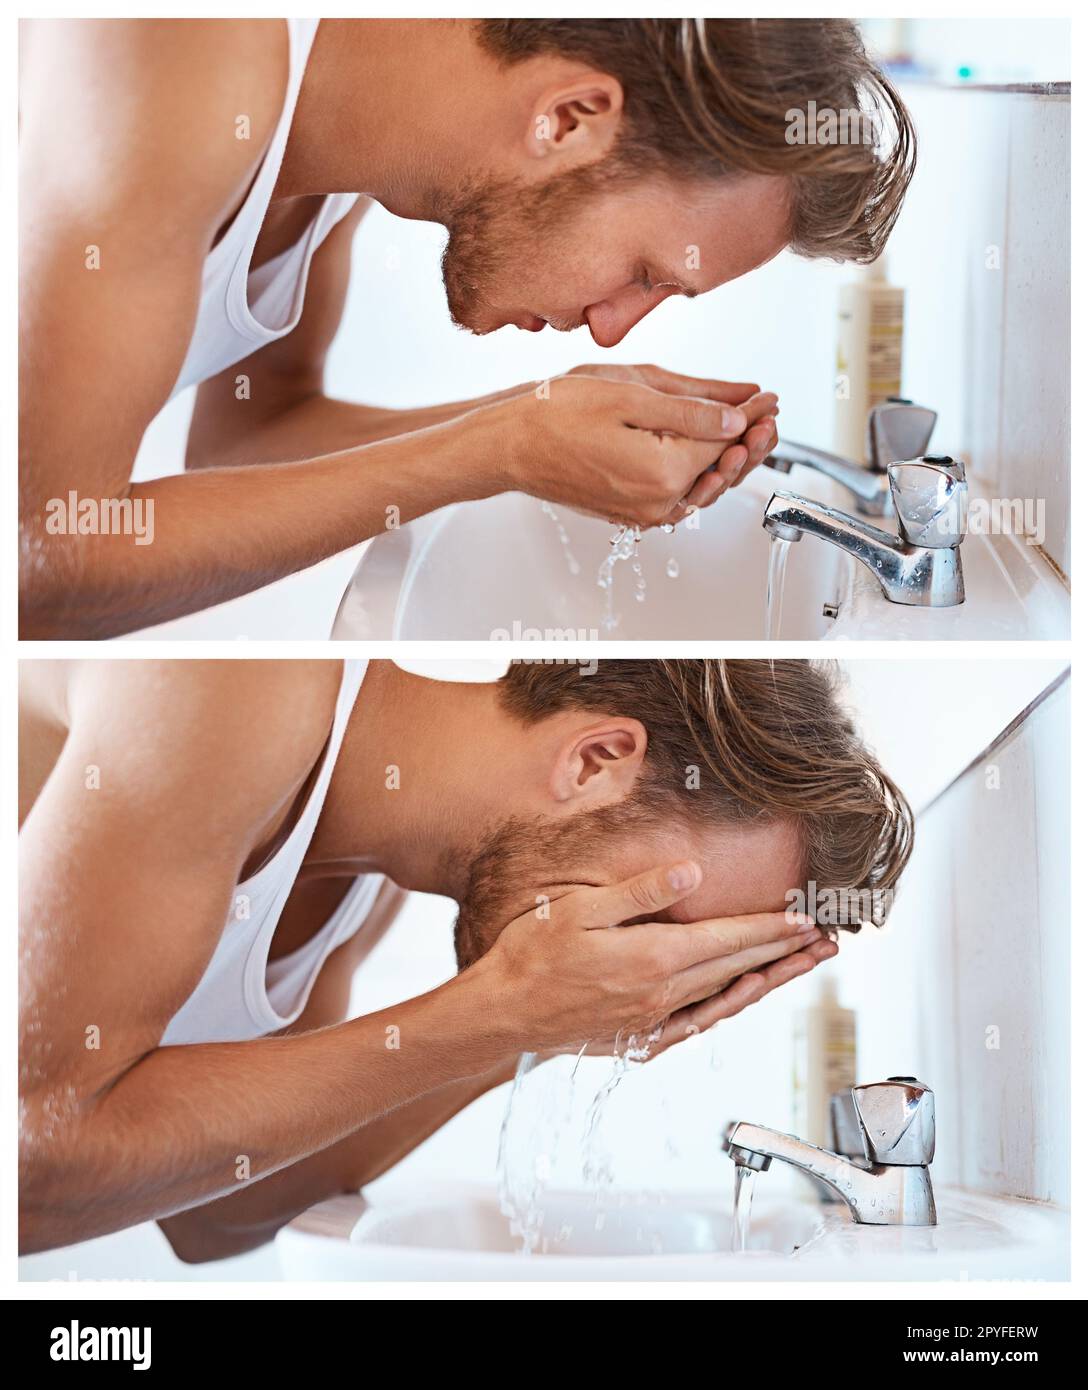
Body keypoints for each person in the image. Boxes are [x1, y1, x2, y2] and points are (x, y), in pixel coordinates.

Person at [19, 18, 914, 637]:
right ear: (568, 119)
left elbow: (252, 441)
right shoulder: (183, 57)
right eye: (647, 274)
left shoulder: (344, 142)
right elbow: (36, 562)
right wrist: (498, 451)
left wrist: (539, 418)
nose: (611, 331)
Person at [18, 657, 912, 1258]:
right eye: (664, 919)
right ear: (598, 759)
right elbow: (30, 1169)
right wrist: (497, 1014)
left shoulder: (364, 884)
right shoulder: (243, 687)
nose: (642, 974)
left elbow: (215, 1212)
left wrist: (521, 1032)